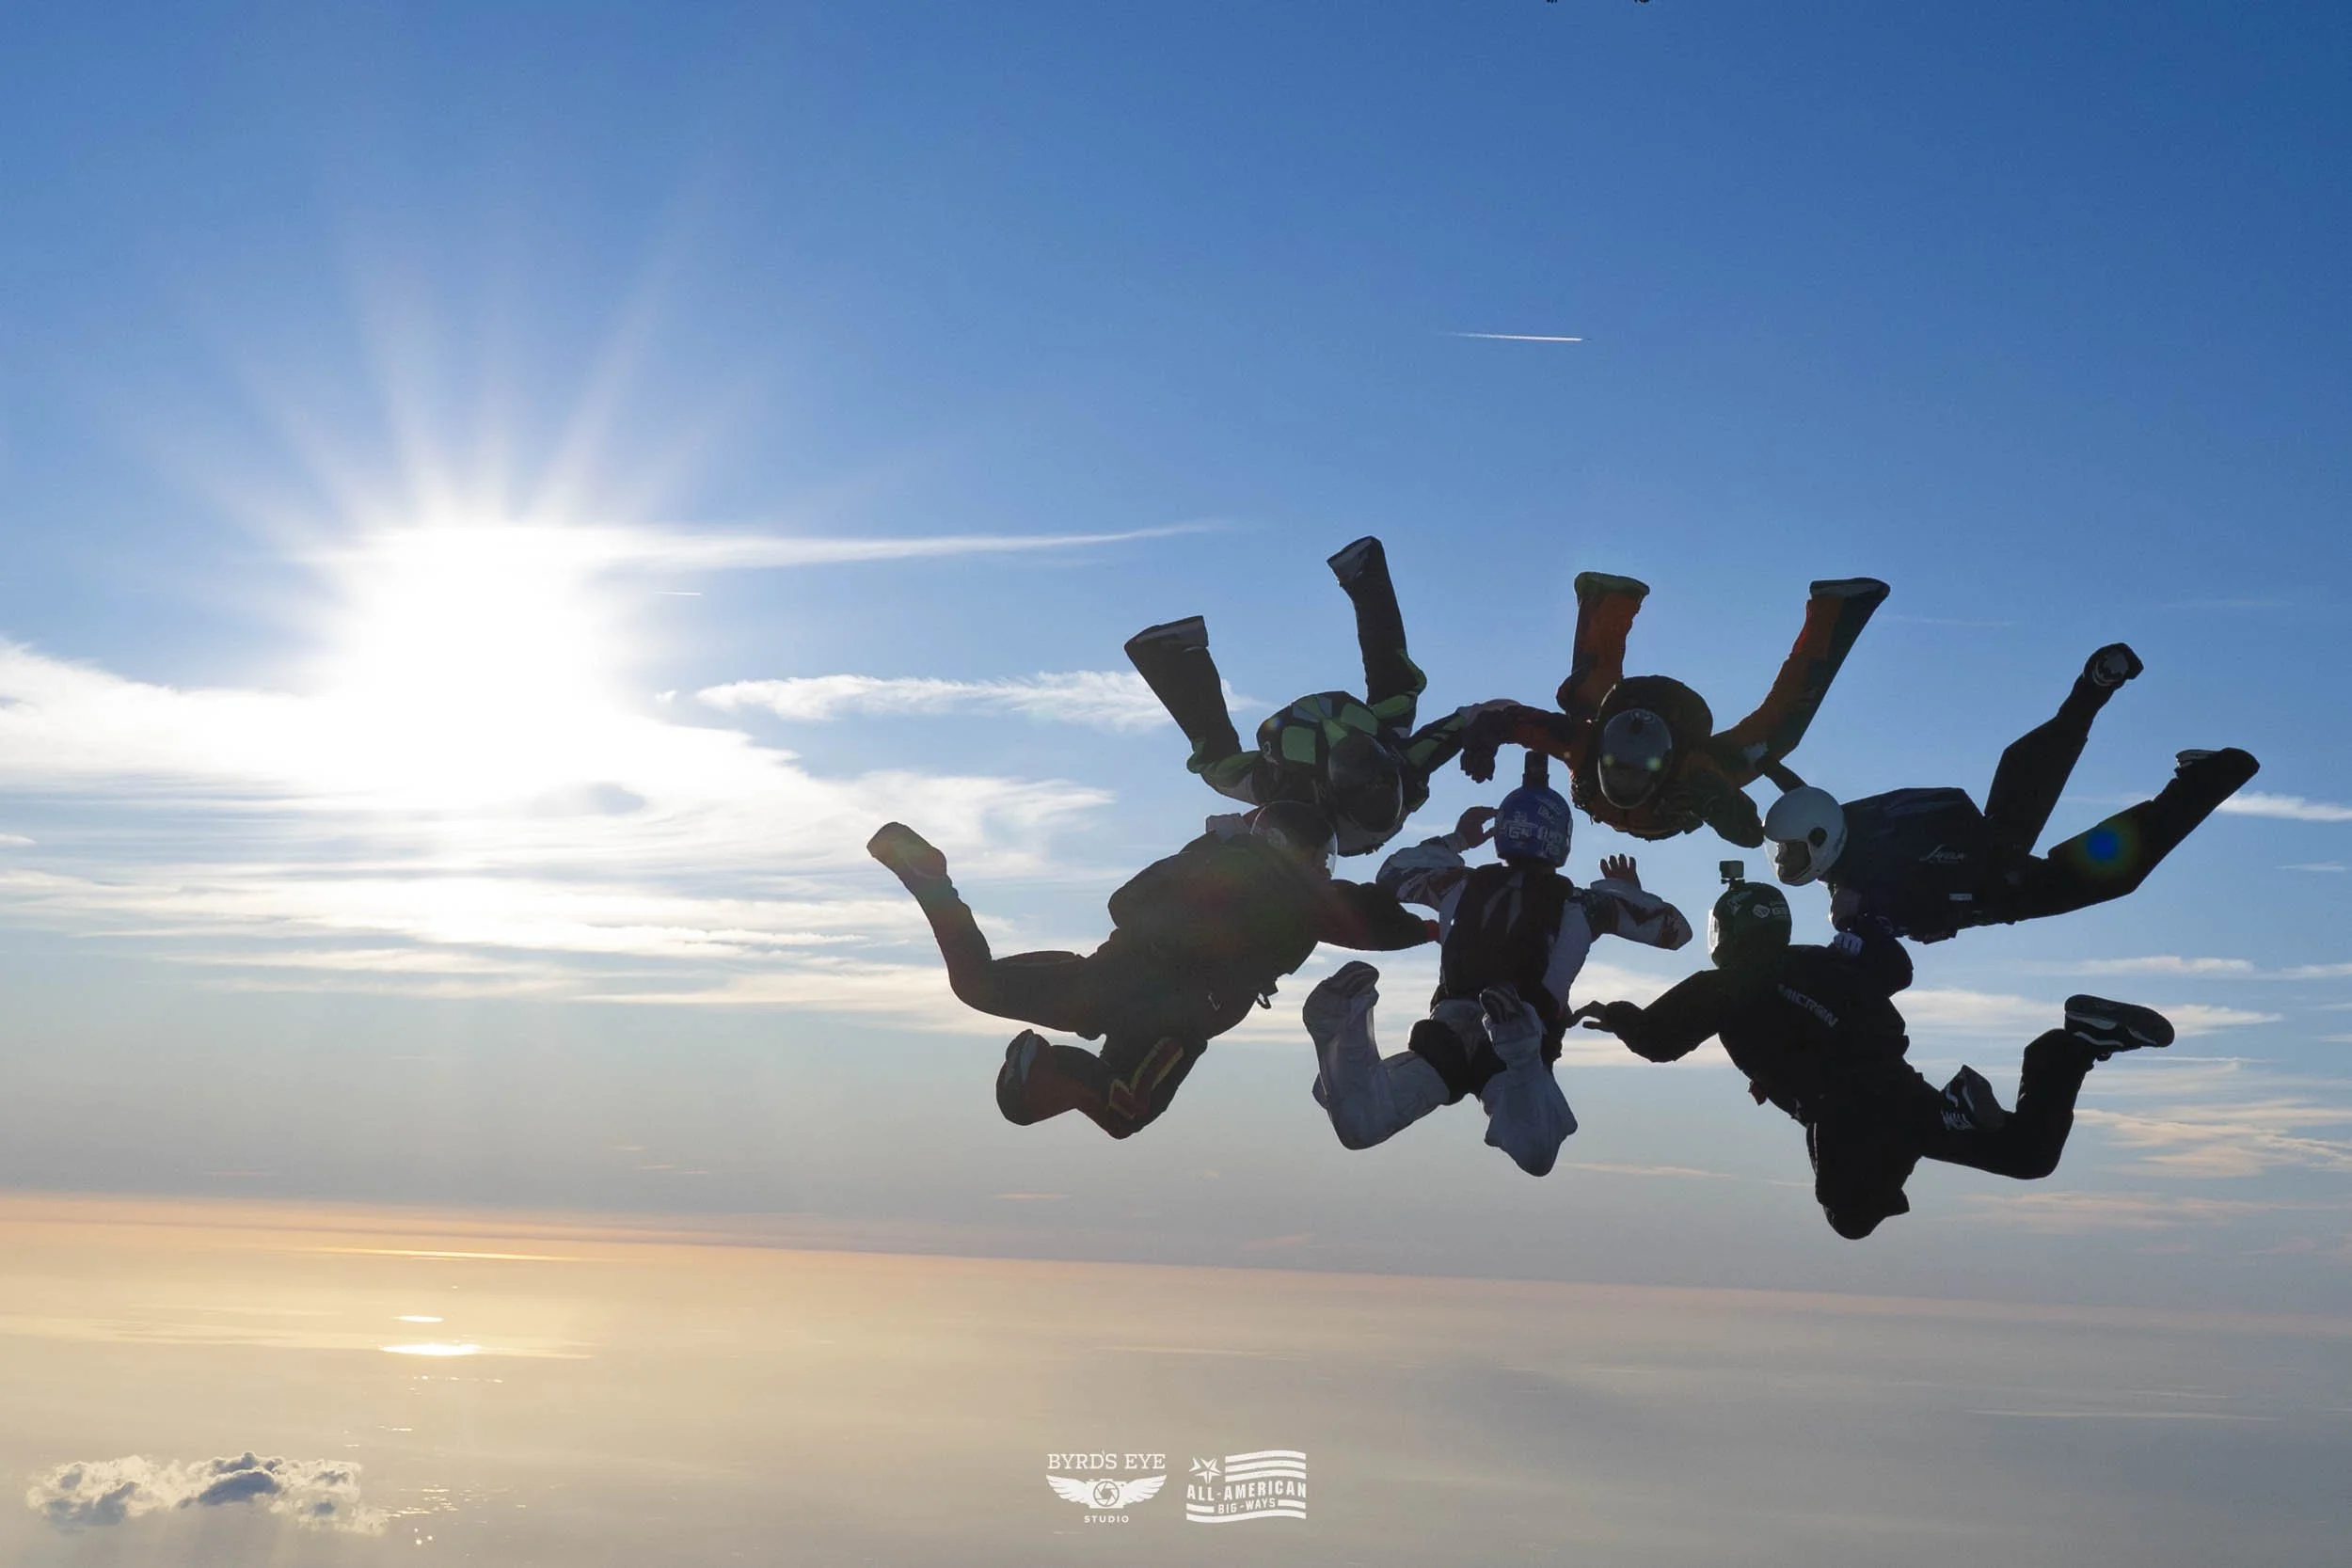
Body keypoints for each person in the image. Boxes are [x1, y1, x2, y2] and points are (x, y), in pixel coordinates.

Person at [1574, 869, 2177, 1239]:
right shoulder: (1821, 958)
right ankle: (2071, 1045)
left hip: (1847, 1110)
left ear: (1724, 935)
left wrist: (1617, 1015)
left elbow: (1660, 1041)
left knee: (1848, 1211)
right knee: (2027, 1155)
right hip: (1894, 1088)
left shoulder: (1725, 985)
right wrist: (1864, 923)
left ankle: (1991, 1091)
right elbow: (1894, 969)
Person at [866, 803, 1430, 1140]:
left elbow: (1126, 900)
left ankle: (930, 882)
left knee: (976, 984)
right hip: (1178, 1019)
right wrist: (1436, 925)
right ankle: (1049, 1064)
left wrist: (1208, 852)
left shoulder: (1214, 857)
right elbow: (1372, 922)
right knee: (1125, 1110)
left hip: (1114, 978)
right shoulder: (1303, 897)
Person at [1300, 755, 1692, 1176]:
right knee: (1536, 1154)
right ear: (1560, 839)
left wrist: (1457, 841)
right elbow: (1676, 932)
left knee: (1361, 1124)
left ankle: (1345, 1026)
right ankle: (1518, 1045)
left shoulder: (1458, 883)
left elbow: (1392, 873)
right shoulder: (1588, 903)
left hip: (1448, 1028)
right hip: (1520, 1034)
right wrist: (1624, 890)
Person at [1763, 643, 2260, 942]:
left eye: (1788, 850)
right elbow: (1805, 796)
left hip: (2000, 878)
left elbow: (1940, 841)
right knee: (2038, 769)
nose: (1785, 862)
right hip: (1993, 858)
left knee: (2111, 866)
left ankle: (2203, 774)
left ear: (1820, 835)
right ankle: (2098, 692)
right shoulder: (1845, 840)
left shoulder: (1857, 869)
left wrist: (1890, 918)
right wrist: (1767, 765)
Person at [1459, 572, 1890, 846]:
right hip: (1639, 721)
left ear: (1665, 764)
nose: (1626, 777)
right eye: (1622, 767)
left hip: (1680, 746)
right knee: (1587, 702)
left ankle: (1606, 601)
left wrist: (1718, 805)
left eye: (1633, 769)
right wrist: (1483, 739)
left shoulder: (1696, 771)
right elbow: (1512, 721)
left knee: (1779, 730)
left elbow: (1746, 831)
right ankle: (1838, 611)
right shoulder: (1585, 745)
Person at [1123, 536, 1483, 857]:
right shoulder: (1409, 766)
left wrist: (1225, 838)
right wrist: (1490, 730)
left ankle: (1173, 654)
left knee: (1217, 765)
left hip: (1298, 777)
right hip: (1334, 755)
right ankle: (1170, 653)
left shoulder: (1288, 795)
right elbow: (1473, 719)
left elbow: (1253, 827)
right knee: (1398, 688)